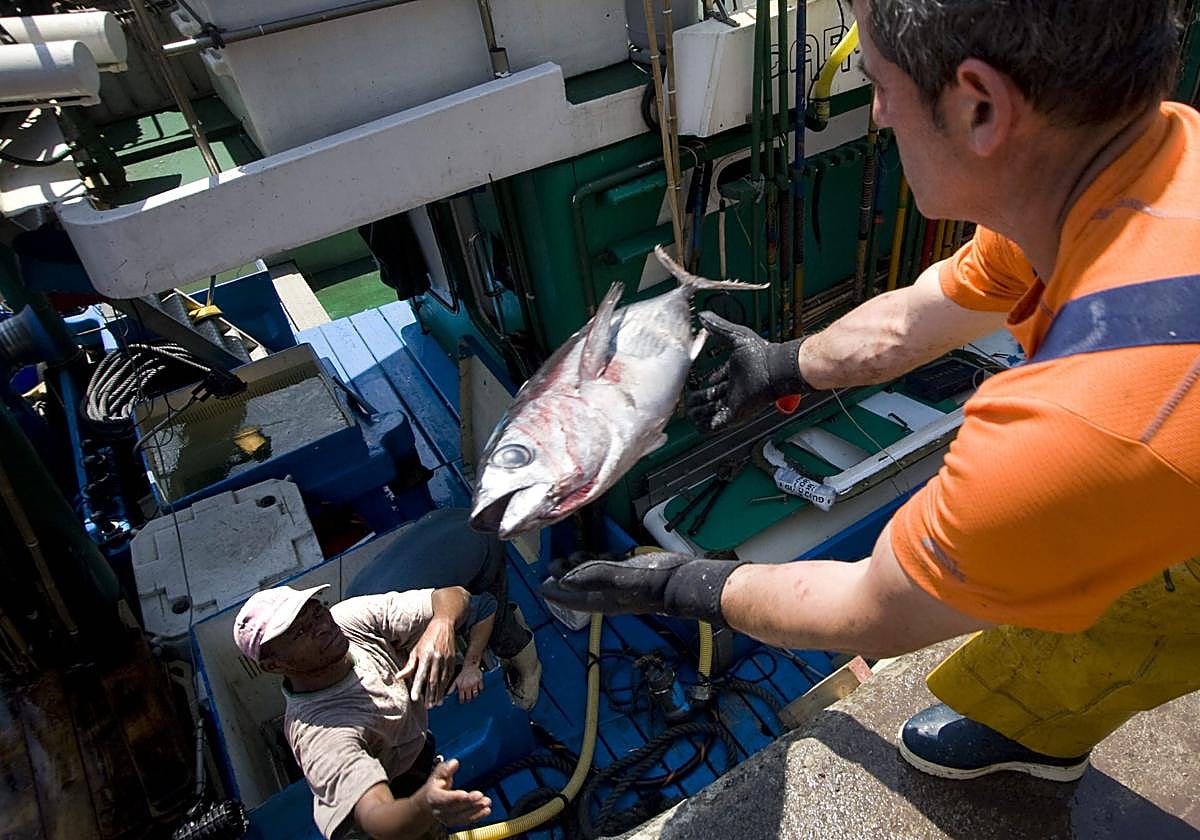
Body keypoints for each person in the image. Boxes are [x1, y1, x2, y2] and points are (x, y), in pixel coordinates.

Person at [543, 0, 1200, 784]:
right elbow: (924, 313)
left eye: (877, 82)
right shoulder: (1148, 155)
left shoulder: (1072, 430)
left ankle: (1037, 737)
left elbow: (875, 610)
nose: (878, 114)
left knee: (1132, 619)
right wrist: (787, 364)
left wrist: (685, 583)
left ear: (979, 106)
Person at [233, 583, 492, 839]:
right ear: (273, 665)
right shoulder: (320, 734)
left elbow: (454, 595)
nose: (322, 626)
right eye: (300, 632)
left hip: (415, 752)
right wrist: (423, 805)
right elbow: (377, 819)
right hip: (392, 804)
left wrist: (442, 624)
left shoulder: (349, 620)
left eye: (317, 611)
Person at [344, 507, 542, 710]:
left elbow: (486, 608)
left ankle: (530, 668)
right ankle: (505, 616)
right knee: (470, 602)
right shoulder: (349, 610)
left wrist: (471, 666)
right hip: (445, 519)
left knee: (495, 623)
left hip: (478, 539)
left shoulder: (406, 620)